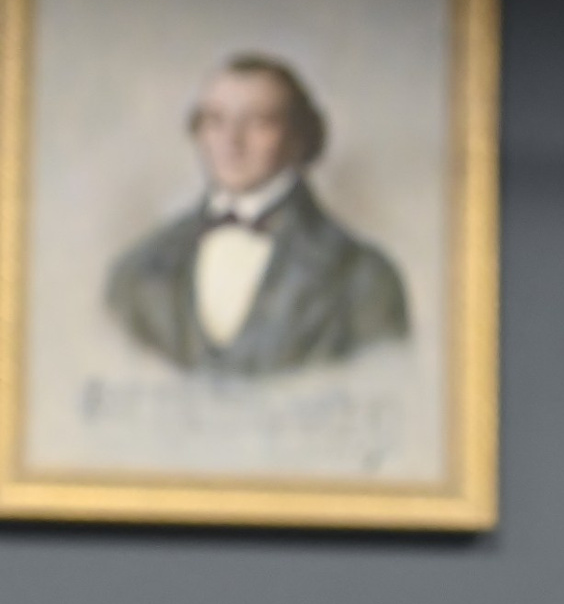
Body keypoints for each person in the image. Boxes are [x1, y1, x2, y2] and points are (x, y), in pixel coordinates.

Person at [105, 53, 408, 375]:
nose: (231, 141)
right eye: (215, 121)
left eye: (258, 122)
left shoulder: (363, 277)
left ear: (299, 137)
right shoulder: (137, 271)